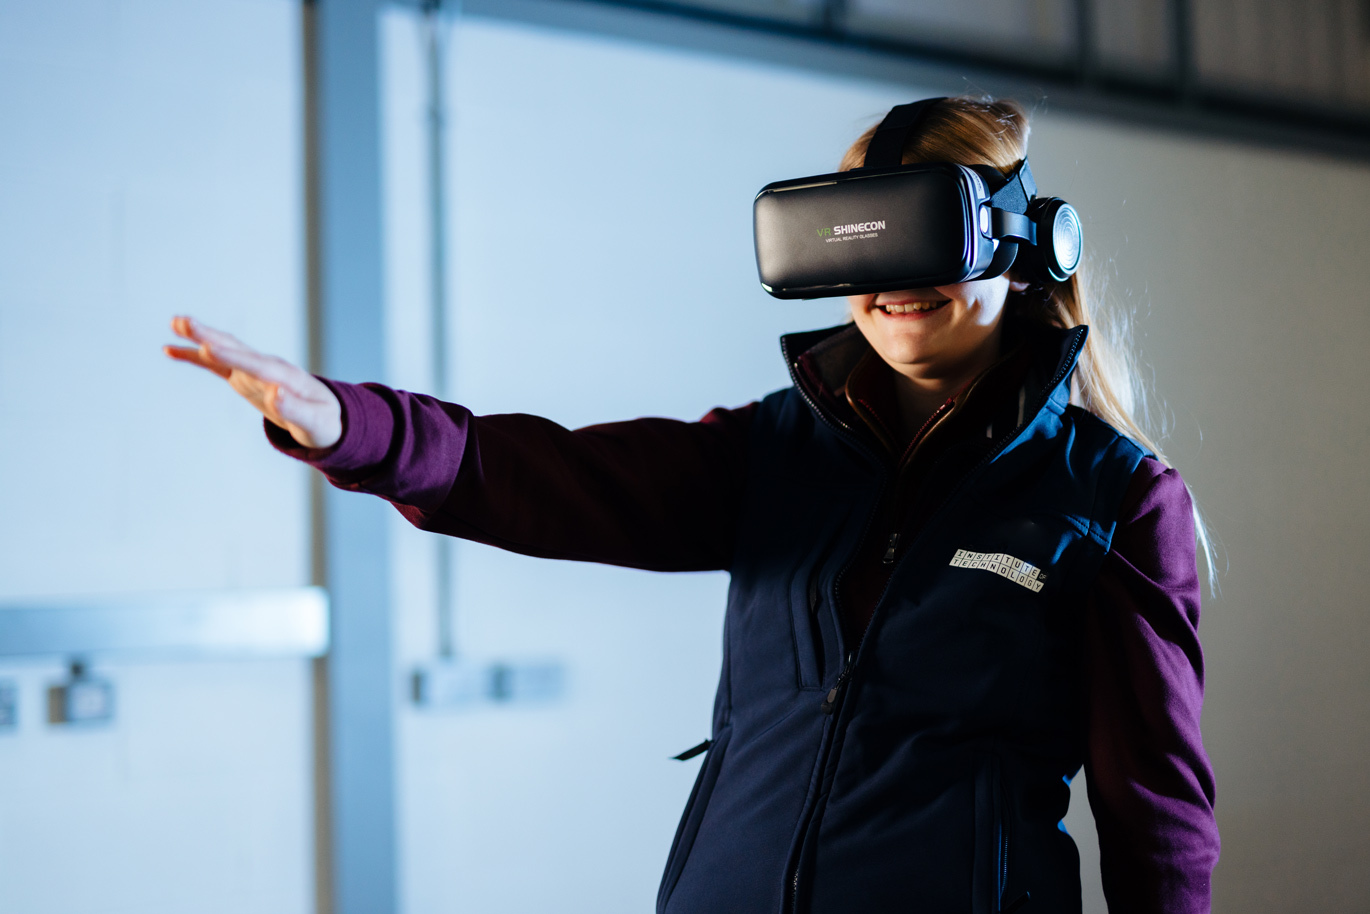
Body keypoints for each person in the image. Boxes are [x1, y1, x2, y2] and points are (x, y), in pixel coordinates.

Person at [165, 96, 1219, 914]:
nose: (892, 277)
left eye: (923, 231)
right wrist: (353, 424)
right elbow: (536, 477)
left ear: (1025, 247)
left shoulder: (1111, 497)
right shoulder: (769, 451)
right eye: (860, 237)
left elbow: (1155, 808)